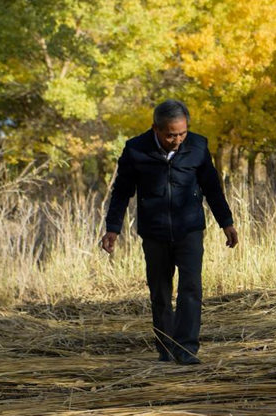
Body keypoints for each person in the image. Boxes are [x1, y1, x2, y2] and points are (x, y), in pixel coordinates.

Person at [100, 99, 238, 365]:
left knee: (191, 288)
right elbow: (121, 192)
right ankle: (166, 348)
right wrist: (112, 229)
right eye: (170, 135)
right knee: (160, 291)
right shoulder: (135, 149)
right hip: (154, 232)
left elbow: (212, 187)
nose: (177, 140)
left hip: (190, 229)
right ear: (156, 129)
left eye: (182, 133)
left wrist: (226, 222)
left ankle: (186, 350)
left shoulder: (198, 146)